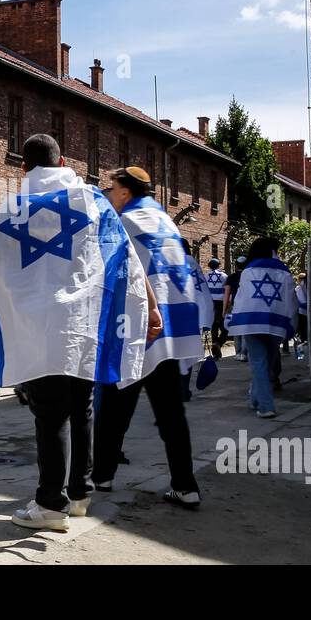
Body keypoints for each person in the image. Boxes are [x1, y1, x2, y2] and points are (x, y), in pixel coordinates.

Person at [0, 134, 157, 532]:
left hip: (37, 327)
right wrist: (146, 304)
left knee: (49, 416)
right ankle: (79, 494)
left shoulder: (12, 207)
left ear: (24, 168)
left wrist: (7, 319)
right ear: (62, 160)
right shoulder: (93, 200)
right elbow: (123, 255)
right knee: (81, 407)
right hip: (81, 323)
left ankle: (49, 504)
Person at [93, 167, 210, 508]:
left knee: (115, 404)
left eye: (111, 188)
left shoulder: (123, 222)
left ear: (125, 192)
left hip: (137, 326)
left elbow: (107, 272)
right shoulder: (166, 222)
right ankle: (185, 485)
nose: (108, 194)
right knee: (171, 412)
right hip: (171, 330)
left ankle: (102, 475)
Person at [227, 237, 297, 418]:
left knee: (259, 363)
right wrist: (291, 322)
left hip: (252, 321)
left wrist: (236, 320)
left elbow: (242, 298)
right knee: (267, 364)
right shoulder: (284, 271)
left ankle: (266, 406)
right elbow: (290, 298)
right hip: (276, 321)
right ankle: (257, 400)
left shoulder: (249, 271)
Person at [223, 255, 249, 361]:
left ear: (236, 265)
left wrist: (224, 310)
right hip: (247, 306)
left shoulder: (231, 277)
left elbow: (227, 294)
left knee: (236, 330)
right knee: (245, 330)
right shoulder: (249, 276)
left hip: (235, 305)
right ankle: (244, 353)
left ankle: (237, 353)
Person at [205, 257, 228, 358]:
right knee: (225, 327)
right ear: (219, 265)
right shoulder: (224, 276)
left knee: (213, 326)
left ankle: (215, 347)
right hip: (221, 303)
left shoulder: (205, 276)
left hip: (210, 302)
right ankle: (219, 342)